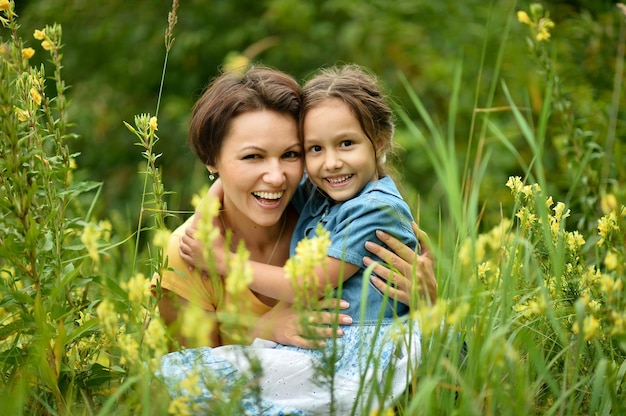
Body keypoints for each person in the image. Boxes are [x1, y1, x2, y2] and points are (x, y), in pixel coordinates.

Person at [153, 65, 436, 414]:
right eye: (252, 156)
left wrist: (428, 302)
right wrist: (205, 215)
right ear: (213, 160)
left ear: (377, 142)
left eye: (290, 154)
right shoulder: (188, 253)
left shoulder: (339, 205)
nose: (276, 177)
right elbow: (200, 396)